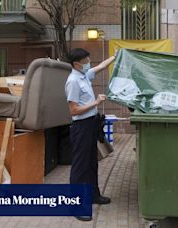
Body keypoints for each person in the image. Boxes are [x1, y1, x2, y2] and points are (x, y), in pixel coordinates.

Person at [65, 48, 116, 222]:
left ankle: (94, 195)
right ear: (77, 63)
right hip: (81, 126)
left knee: (91, 162)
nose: (89, 63)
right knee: (80, 166)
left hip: (91, 124)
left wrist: (115, 57)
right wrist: (96, 102)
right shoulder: (73, 81)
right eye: (86, 60)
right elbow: (73, 110)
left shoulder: (84, 75)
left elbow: (101, 66)